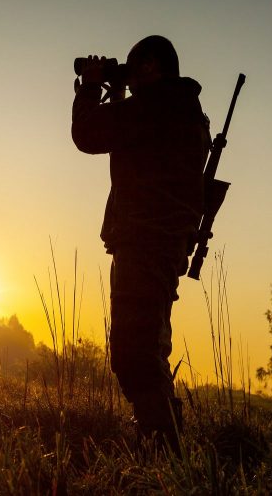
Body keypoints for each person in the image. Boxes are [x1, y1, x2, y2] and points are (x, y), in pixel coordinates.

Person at [71, 35, 211, 450]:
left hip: (145, 241)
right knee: (148, 347)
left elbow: (89, 135)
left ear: (150, 67)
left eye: (133, 72)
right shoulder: (184, 110)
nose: (129, 83)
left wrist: (93, 87)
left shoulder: (155, 106)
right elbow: (134, 142)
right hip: (164, 245)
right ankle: (161, 441)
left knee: (133, 352)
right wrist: (117, 94)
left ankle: (162, 445)